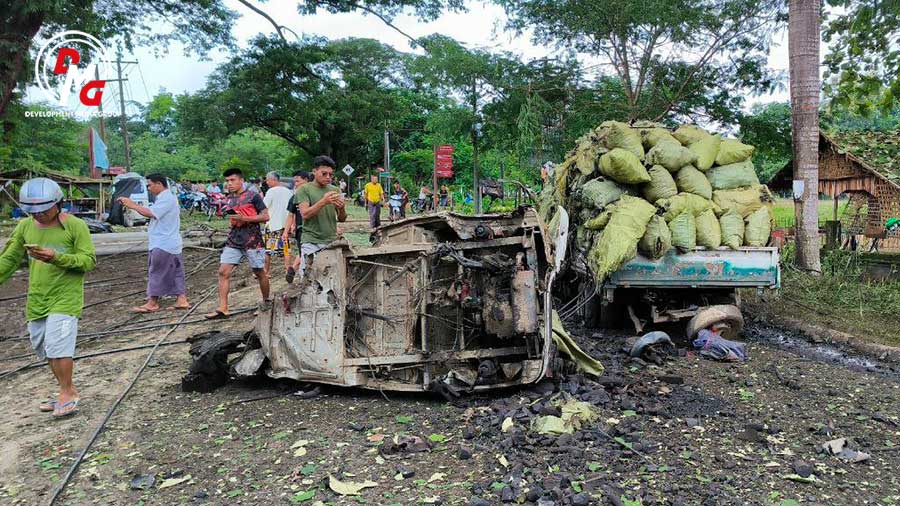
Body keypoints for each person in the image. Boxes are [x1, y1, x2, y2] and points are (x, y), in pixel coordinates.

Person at [0, 178, 96, 418]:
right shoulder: (25, 227)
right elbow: (9, 260)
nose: (40, 215)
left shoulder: (75, 226)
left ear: (58, 203)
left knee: (59, 346)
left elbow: (88, 261)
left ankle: (67, 393)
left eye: (45, 209)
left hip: (66, 296)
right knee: (44, 346)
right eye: (33, 211)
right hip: (38, 297)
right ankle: (66, 389)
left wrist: (56, 257)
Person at [118, 174, 190, 313]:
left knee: (156, 272)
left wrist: (132, 205)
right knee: (176, 272)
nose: (148, 188)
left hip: (162, 243)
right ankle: (181, 299)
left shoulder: (166, 198)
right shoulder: (167, 198)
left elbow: (152, 213)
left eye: (150, 185)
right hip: (171, 243)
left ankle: (153, 302)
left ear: (159, 184)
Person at [206, 168, 270, 319]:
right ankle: (223, 308)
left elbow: (266, 216)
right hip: (234, 239)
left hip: (252, 240)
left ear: (241, 180)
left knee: (259, 272)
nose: (229, 184)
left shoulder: (253, 196)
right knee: (223, 271)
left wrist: (245, 219)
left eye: (232, 180)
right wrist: (234, 220)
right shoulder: (229, 199)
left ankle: (266, 301)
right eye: (227, 181)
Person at [292, 156, 347, 280]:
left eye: (330, 175)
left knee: (331, 277)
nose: (328, 177)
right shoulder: (304, 189)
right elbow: (305, 214)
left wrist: (342, 208)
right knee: (307, 278)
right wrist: (324, 201)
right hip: (311, 241)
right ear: (314, 171)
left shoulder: (334, 190)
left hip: (331, 241)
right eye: (324, 173)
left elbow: (342, 219)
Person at [261, 171, 293, 277]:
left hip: (273, 224)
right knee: (286, 248)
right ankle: (287, 269)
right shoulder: (288, 191)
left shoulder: (271, 191)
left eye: (267, 179)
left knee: (268, 250)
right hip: (285, 224)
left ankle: (266, 271)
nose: (266, 182)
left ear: (273, 180)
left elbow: (264, 206)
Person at [283, 170, 311, 283]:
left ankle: (294, 269)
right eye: (295, 181)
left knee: (307, 253)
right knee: (302, 253)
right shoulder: (294, 197)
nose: (296, 184)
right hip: (301, 230)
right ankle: (300, 274)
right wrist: (286, 231)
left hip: (313, 230)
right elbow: (291, 215)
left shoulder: (314, 195)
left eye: (298, 181)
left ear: (306, 180)